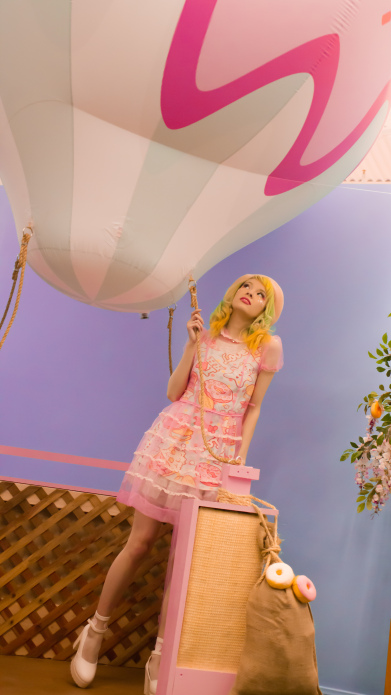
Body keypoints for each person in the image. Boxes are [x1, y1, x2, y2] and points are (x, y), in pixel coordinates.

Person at [70, 274, 284, 693]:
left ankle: (162, 656)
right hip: (175, 440)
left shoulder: (267, 347)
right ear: (233, 292)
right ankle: (94, 631)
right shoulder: (205, 335)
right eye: (246, 286)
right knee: (139, 544)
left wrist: (238, 458)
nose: (251, 294)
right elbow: (173, 393)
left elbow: (254, 407)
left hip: (218, 453)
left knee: (182, 563)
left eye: (262, 295)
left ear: (268, 309)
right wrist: (190, 345)